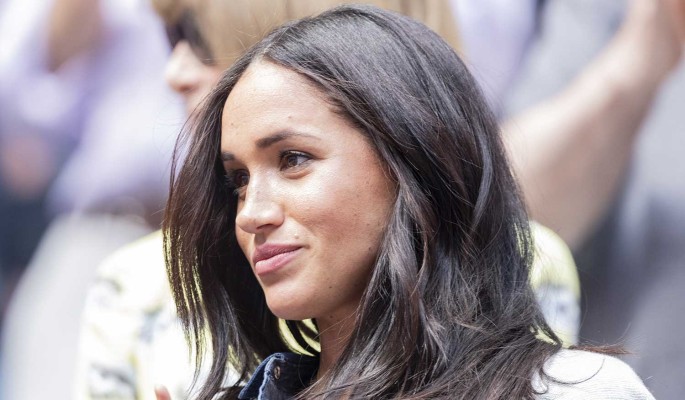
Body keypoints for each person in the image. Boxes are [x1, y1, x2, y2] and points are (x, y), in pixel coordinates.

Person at [160, 5, 651, 399]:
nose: (252, 213)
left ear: (414, 160)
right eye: (238, 180)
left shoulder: (577, 391)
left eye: (293, 160)